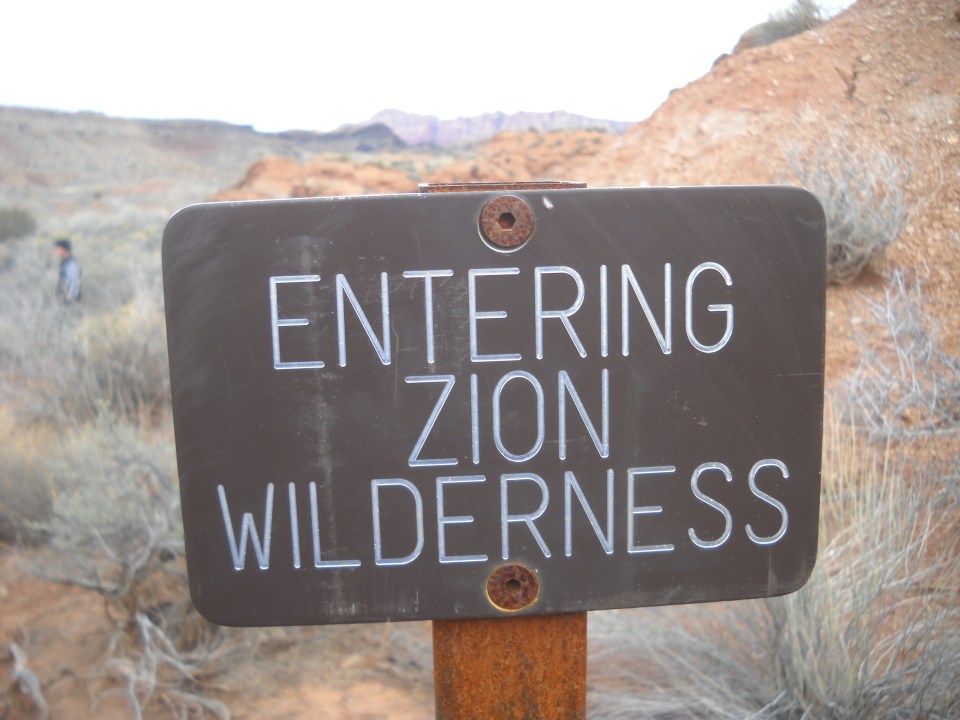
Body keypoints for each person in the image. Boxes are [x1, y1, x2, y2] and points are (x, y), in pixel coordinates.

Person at [54, 238, 82, 303]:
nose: (55, 251)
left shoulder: (71, 265)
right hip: (64, 300)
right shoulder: (65, 262)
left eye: (57, 249)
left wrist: (68, 301)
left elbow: (73, 284)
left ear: (63, 250)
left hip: (69, 302)